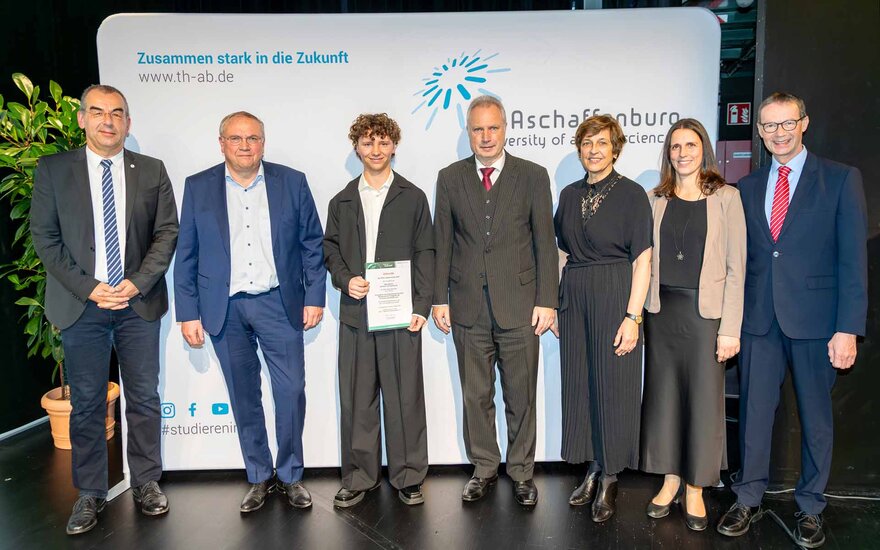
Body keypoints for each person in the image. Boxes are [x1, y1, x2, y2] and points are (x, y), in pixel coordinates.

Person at [716, 92, 867, 548]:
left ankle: (812, 506)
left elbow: (853, 260)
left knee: (816, 418)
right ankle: (748, 498)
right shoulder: (746, 187)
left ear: (804, 123)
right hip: (760, 321)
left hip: (818, 323)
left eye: (787, 123)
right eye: (769, 126)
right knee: (755, 415)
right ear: (759, 132)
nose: (778, 132)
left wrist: (849, 328)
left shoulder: (840, 180)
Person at [30, 84, 179, 535]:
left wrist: (135, 283)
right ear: (82, 119)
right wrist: (92, 288)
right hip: (82, 306)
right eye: (97, 112)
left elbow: (166, 233)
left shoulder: (151, 170)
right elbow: (46, 239)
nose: (108, 121)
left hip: (138, 304)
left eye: (117, 113)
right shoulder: (53, 170)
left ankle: (147, 482)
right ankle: (91, 492)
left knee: (145, 398)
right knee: (88, 402)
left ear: (128, 123)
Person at [173, 111, 326, 513]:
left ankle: (291, 474)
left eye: (253, 138)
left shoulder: (291, 182)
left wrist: (315, 296)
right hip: (224, 308)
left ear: (264, 142)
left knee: (291, 391)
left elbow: (313, 243)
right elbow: (185, 254)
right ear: (221, 142)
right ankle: (259, 476)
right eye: (236, 138)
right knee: (244, 397)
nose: (245, 146)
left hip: (279, 303)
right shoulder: (198, 187)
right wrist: (187, 312)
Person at [432, 95, 558, 507]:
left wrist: (547, 300)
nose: (485, 137)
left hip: (521, 306)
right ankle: (484, 467)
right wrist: (439, 299)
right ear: (468, 133)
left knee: (520, 395)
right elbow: (442, 243)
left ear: (505, 128)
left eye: (493, 128)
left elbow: (544, 240)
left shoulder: (533, 175)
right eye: (477, 129)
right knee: (476, 395)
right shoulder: (449, 178)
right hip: (467, 306)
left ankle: (522, 471)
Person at [640, 118, 746, 531]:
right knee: (663, 399)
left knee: (703, 402)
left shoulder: (727, 198)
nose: (682, 153)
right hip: (662, 313)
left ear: (704, 150)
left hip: (706, 318)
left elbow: (737, 269)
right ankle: (669, 481)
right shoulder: (655, 199)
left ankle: (697, 487)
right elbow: (643, 260)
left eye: (690, 145)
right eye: (675, 146)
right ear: (668, 154)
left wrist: (730, 328)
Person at [323, 113, 433, 507]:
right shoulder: (342, 200)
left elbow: (426, 252)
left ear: (394, 146)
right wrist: (344, 278)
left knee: (405, 397)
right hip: (356, 315)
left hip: (401, 315)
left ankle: (408, 476)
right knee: (357, 398)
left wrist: (421, 305)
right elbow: (330, 249)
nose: (376, 150)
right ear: (357, 147)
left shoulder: (414, 197)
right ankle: (359, 476)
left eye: (383, 142)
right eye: (368, 143)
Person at [553, 114, 652, 523]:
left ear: (616, 148)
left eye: (602, 143)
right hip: (575, 296)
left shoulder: (631, 195)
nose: (594, 150)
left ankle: (611, 476)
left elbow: (643, 258)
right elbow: (561, 250)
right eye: (587, 143)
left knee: (613, 386)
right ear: (580, 149)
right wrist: (556, 302)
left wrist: (634, 316)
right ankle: (592, 467)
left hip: (615, 294)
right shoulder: (569, 193)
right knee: (582, 385)